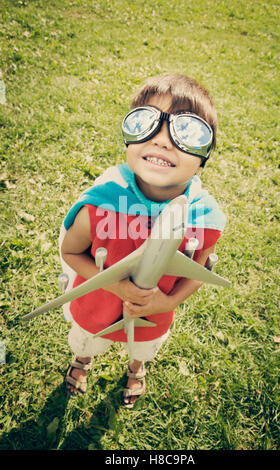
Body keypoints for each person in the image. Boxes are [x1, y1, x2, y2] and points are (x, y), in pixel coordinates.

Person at [60, 73, 226, 408]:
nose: (162, 141)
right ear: (128, 139)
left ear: (203, 159)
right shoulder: (100, 203)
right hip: (95, 307)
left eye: (188, 132)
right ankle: (83, 360)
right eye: (145, 123)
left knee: (143, 347)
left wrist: (166, 303)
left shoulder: (204, 218)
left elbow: (200, 267)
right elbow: (71, 251)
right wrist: (119, 287)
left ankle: (136, 368)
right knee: (86, 340)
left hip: (153, 316)